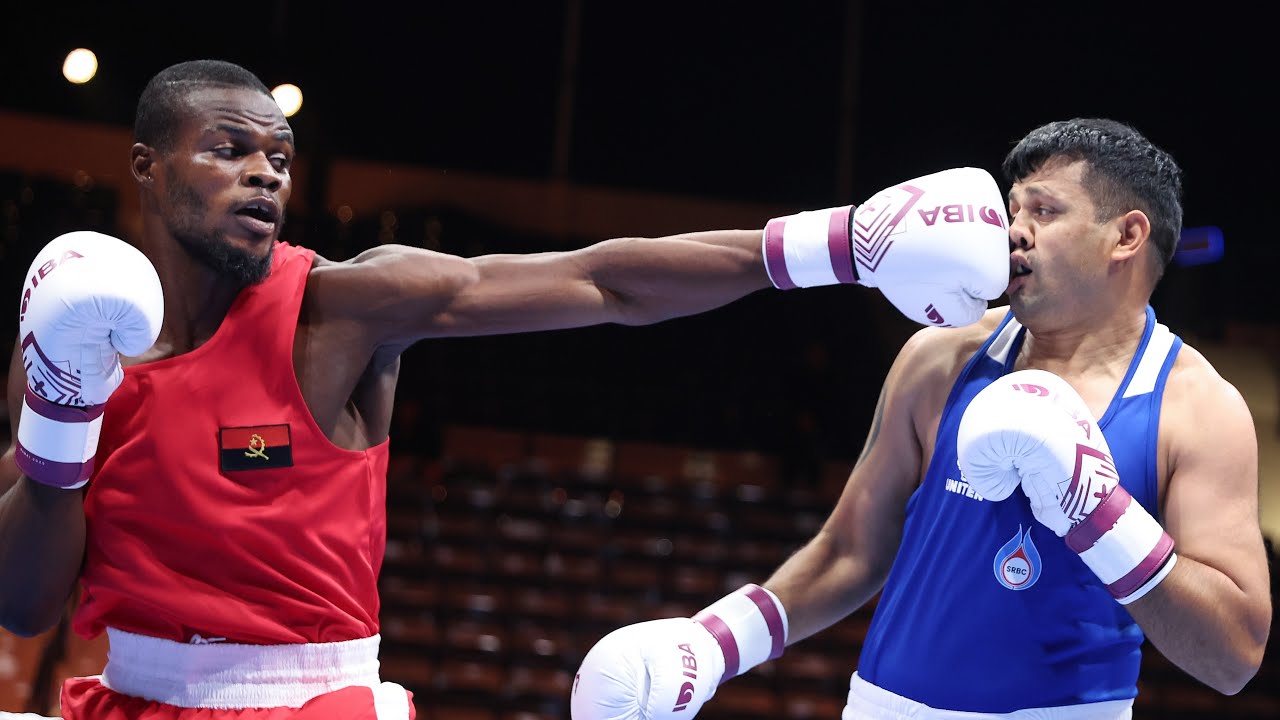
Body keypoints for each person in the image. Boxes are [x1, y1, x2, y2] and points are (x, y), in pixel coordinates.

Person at [0, 59, 1011, 719]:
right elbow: (26, 600)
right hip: (128, 696)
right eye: (229, 150)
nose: (265, 174)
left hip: (310, 702)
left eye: (280, 157)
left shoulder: (337, 311)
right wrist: (59, 411)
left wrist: (838, 245)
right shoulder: (73, 338)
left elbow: (601, 281)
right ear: (146, 164)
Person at [571, 118, 1273, 719]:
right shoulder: (941, 357)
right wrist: (714, 643)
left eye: (1044, 210)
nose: (1014, 232)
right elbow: (851, 550)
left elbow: (1234, 656)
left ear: (1126, 236)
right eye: (1012, 209)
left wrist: (1099, 514)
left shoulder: (1195, 408)